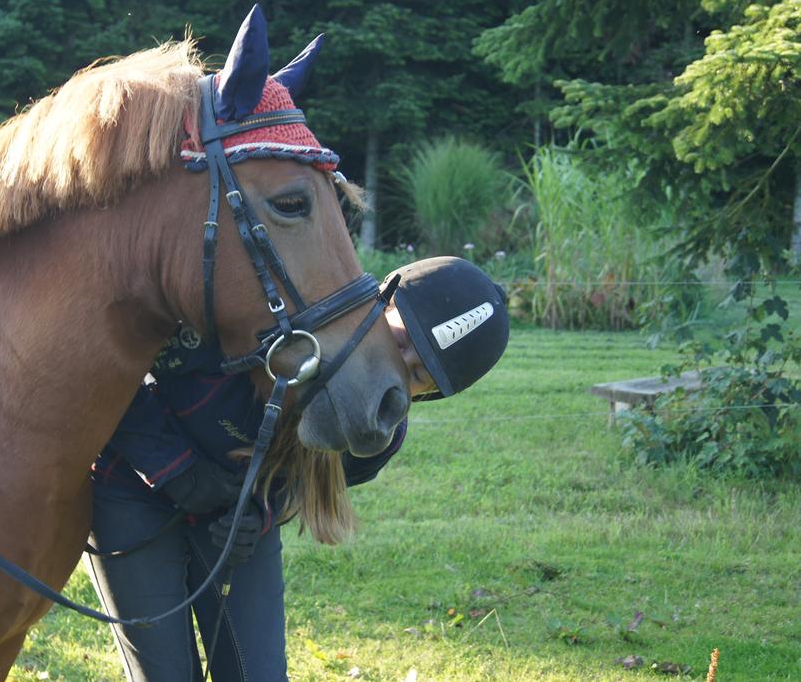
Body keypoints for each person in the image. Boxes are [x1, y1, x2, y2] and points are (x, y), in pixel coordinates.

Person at [86, 255, 511, 682]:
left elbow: (294, 487)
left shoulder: (377, 438)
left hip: (232, 525)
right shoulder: (260, 315)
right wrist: (175, 468)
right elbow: (110, 360)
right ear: (378, 303)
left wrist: (260, 514)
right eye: (399, 339)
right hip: (131, 491)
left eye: (418, 372)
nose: (399, 367)